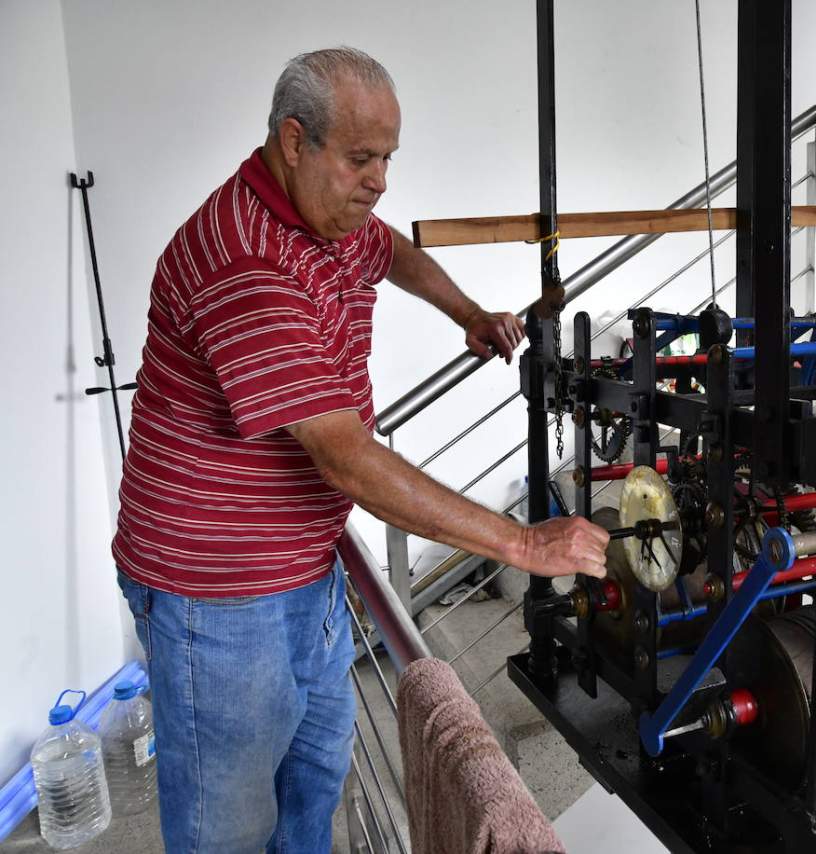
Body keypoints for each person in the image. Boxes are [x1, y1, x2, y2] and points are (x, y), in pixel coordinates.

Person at [112, 47, 608, 853]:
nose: (379, 181)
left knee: (312, 791)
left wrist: (469, 314)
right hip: (217, 597)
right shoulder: (247, 258)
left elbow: (394, 252)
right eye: (361, 158)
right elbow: (343, 457)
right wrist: (521, 542)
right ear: (293, 139)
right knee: (229, 832)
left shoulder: (330, 215)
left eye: (387, 159)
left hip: (307, 569)